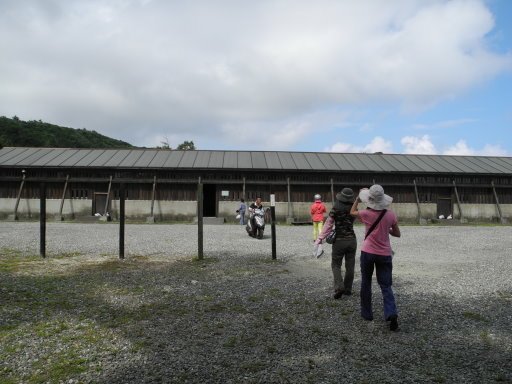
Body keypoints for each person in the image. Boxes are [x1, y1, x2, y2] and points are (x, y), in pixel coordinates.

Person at [350, 184, 401, 331]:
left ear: (370, 200)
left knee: (366, 282)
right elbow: (397, 234)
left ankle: (367, 314)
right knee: (386, 286)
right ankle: (391, 313)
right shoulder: (390, 215)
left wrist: (358, 198)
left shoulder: (366, 214)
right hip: (384, 254)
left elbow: (352, 211)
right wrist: (387, 230)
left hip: (368, 252)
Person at [315, 188, 357, 299]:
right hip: (352, 240)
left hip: (339, 241)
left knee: (336, 265)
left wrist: (320, 238)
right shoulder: (354, 208)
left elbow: (328, 224)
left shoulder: (336, 208)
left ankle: (339, 287)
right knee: (350, 265)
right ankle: (348, 289)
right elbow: (354, 220)